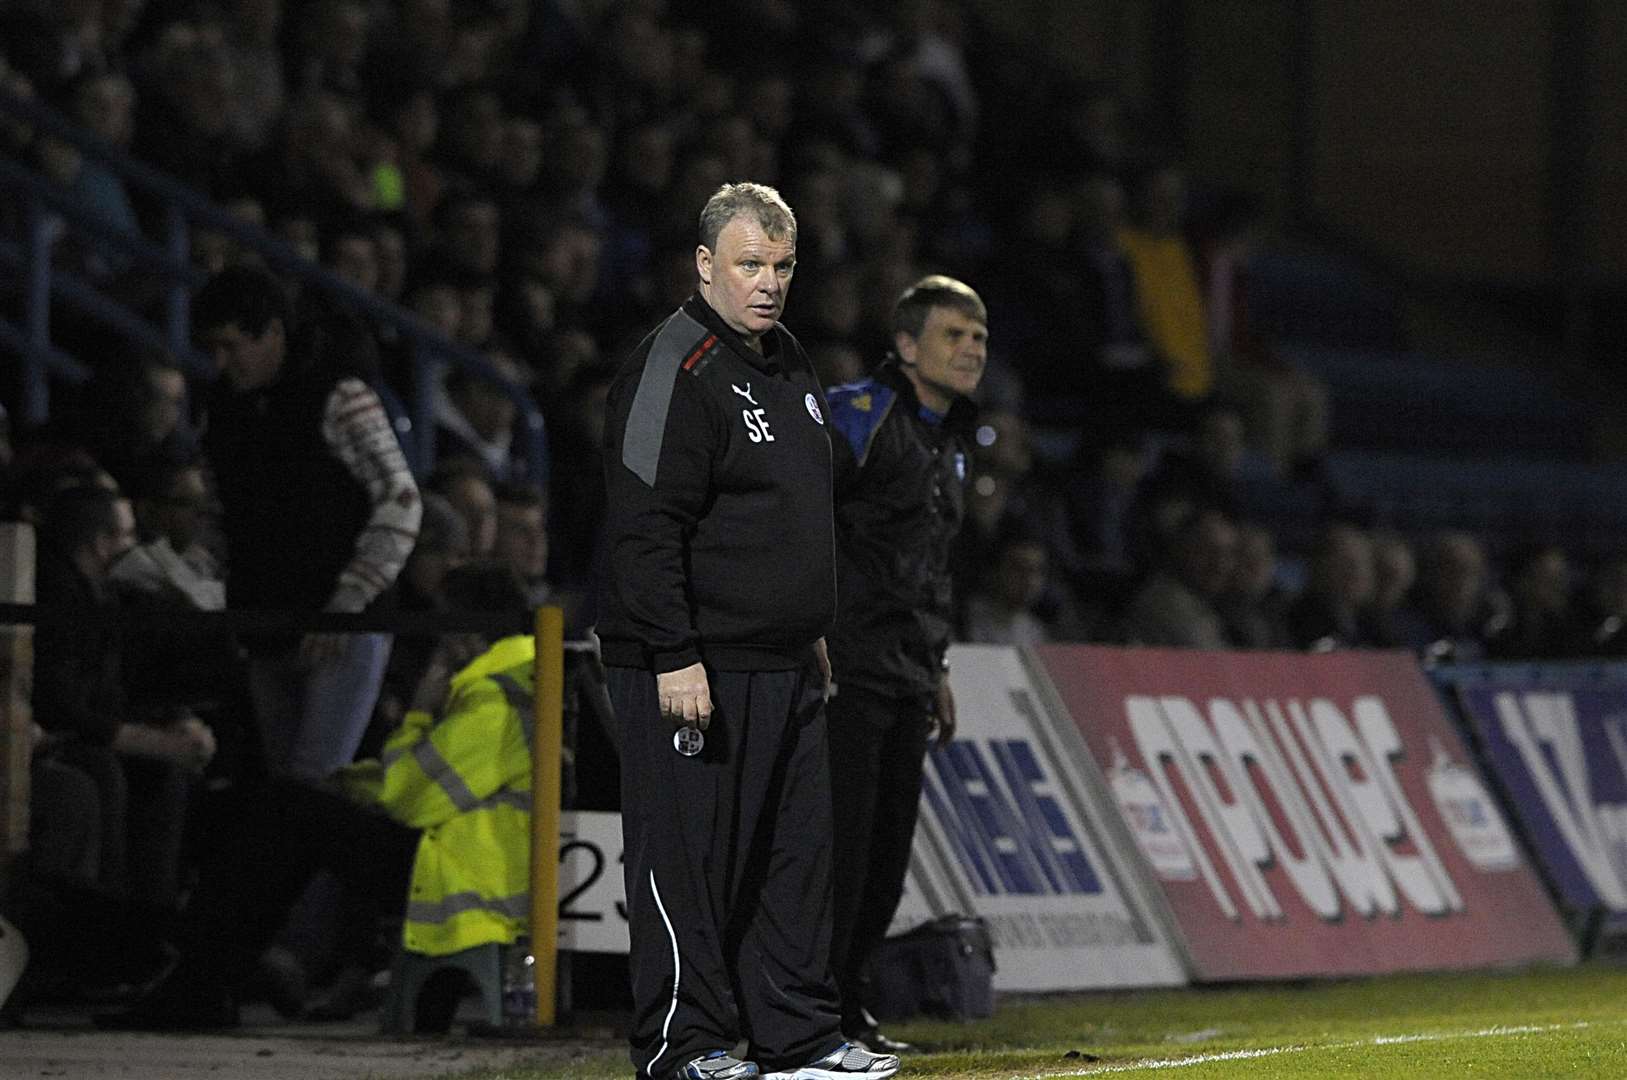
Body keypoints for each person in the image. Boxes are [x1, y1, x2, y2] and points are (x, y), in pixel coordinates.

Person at [599, 183, 898, 1080]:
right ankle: (680, 1046)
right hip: (695, 663)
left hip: (783, 660)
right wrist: (674, 651)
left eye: (780, 266)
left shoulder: (787, 360)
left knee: (792, 860)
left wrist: (807, 625)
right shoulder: (671, 367)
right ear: (703, 266)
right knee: (688, 861)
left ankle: (798, 1037)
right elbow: (643, 524)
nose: (766, 284)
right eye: (747, 265)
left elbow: (794, 512)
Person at [98, 562, 536, 1031]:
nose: (438, 640)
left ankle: (198, 980)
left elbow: (409, 801)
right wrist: (345, 786)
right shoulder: (512, 680)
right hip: (464, 859)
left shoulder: (496, 698)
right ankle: (204, 977)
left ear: (467, 631)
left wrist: (417, 715)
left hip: (462, 874)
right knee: (290, 806)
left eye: (444, 625)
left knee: (287, 812)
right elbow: (416, 782)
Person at [821, 274, 986, 1053]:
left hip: (906, 672)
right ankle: (808, 1014)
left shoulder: (946, 441)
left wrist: (939, 665)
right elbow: (797, 518)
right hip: (844, 665)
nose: (972, 349)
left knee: (884, 862)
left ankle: (846, 1010)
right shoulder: (857, 414)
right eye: (954, 335)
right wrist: (802, 628)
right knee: (842, 854)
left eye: (978, 337)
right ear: (906, 345)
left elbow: (928, 566)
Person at [193, 264, 423, 781]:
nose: (221, 362)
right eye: (213, 348)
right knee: (286, 779)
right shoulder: (220, 411)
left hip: (340, 625)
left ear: (273, 330)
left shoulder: (341, 396)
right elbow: (216, 514)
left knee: (312, 779)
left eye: (232, 345)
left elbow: (401, 498)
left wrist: (348, 599)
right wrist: (200, 581)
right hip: (264, 621)